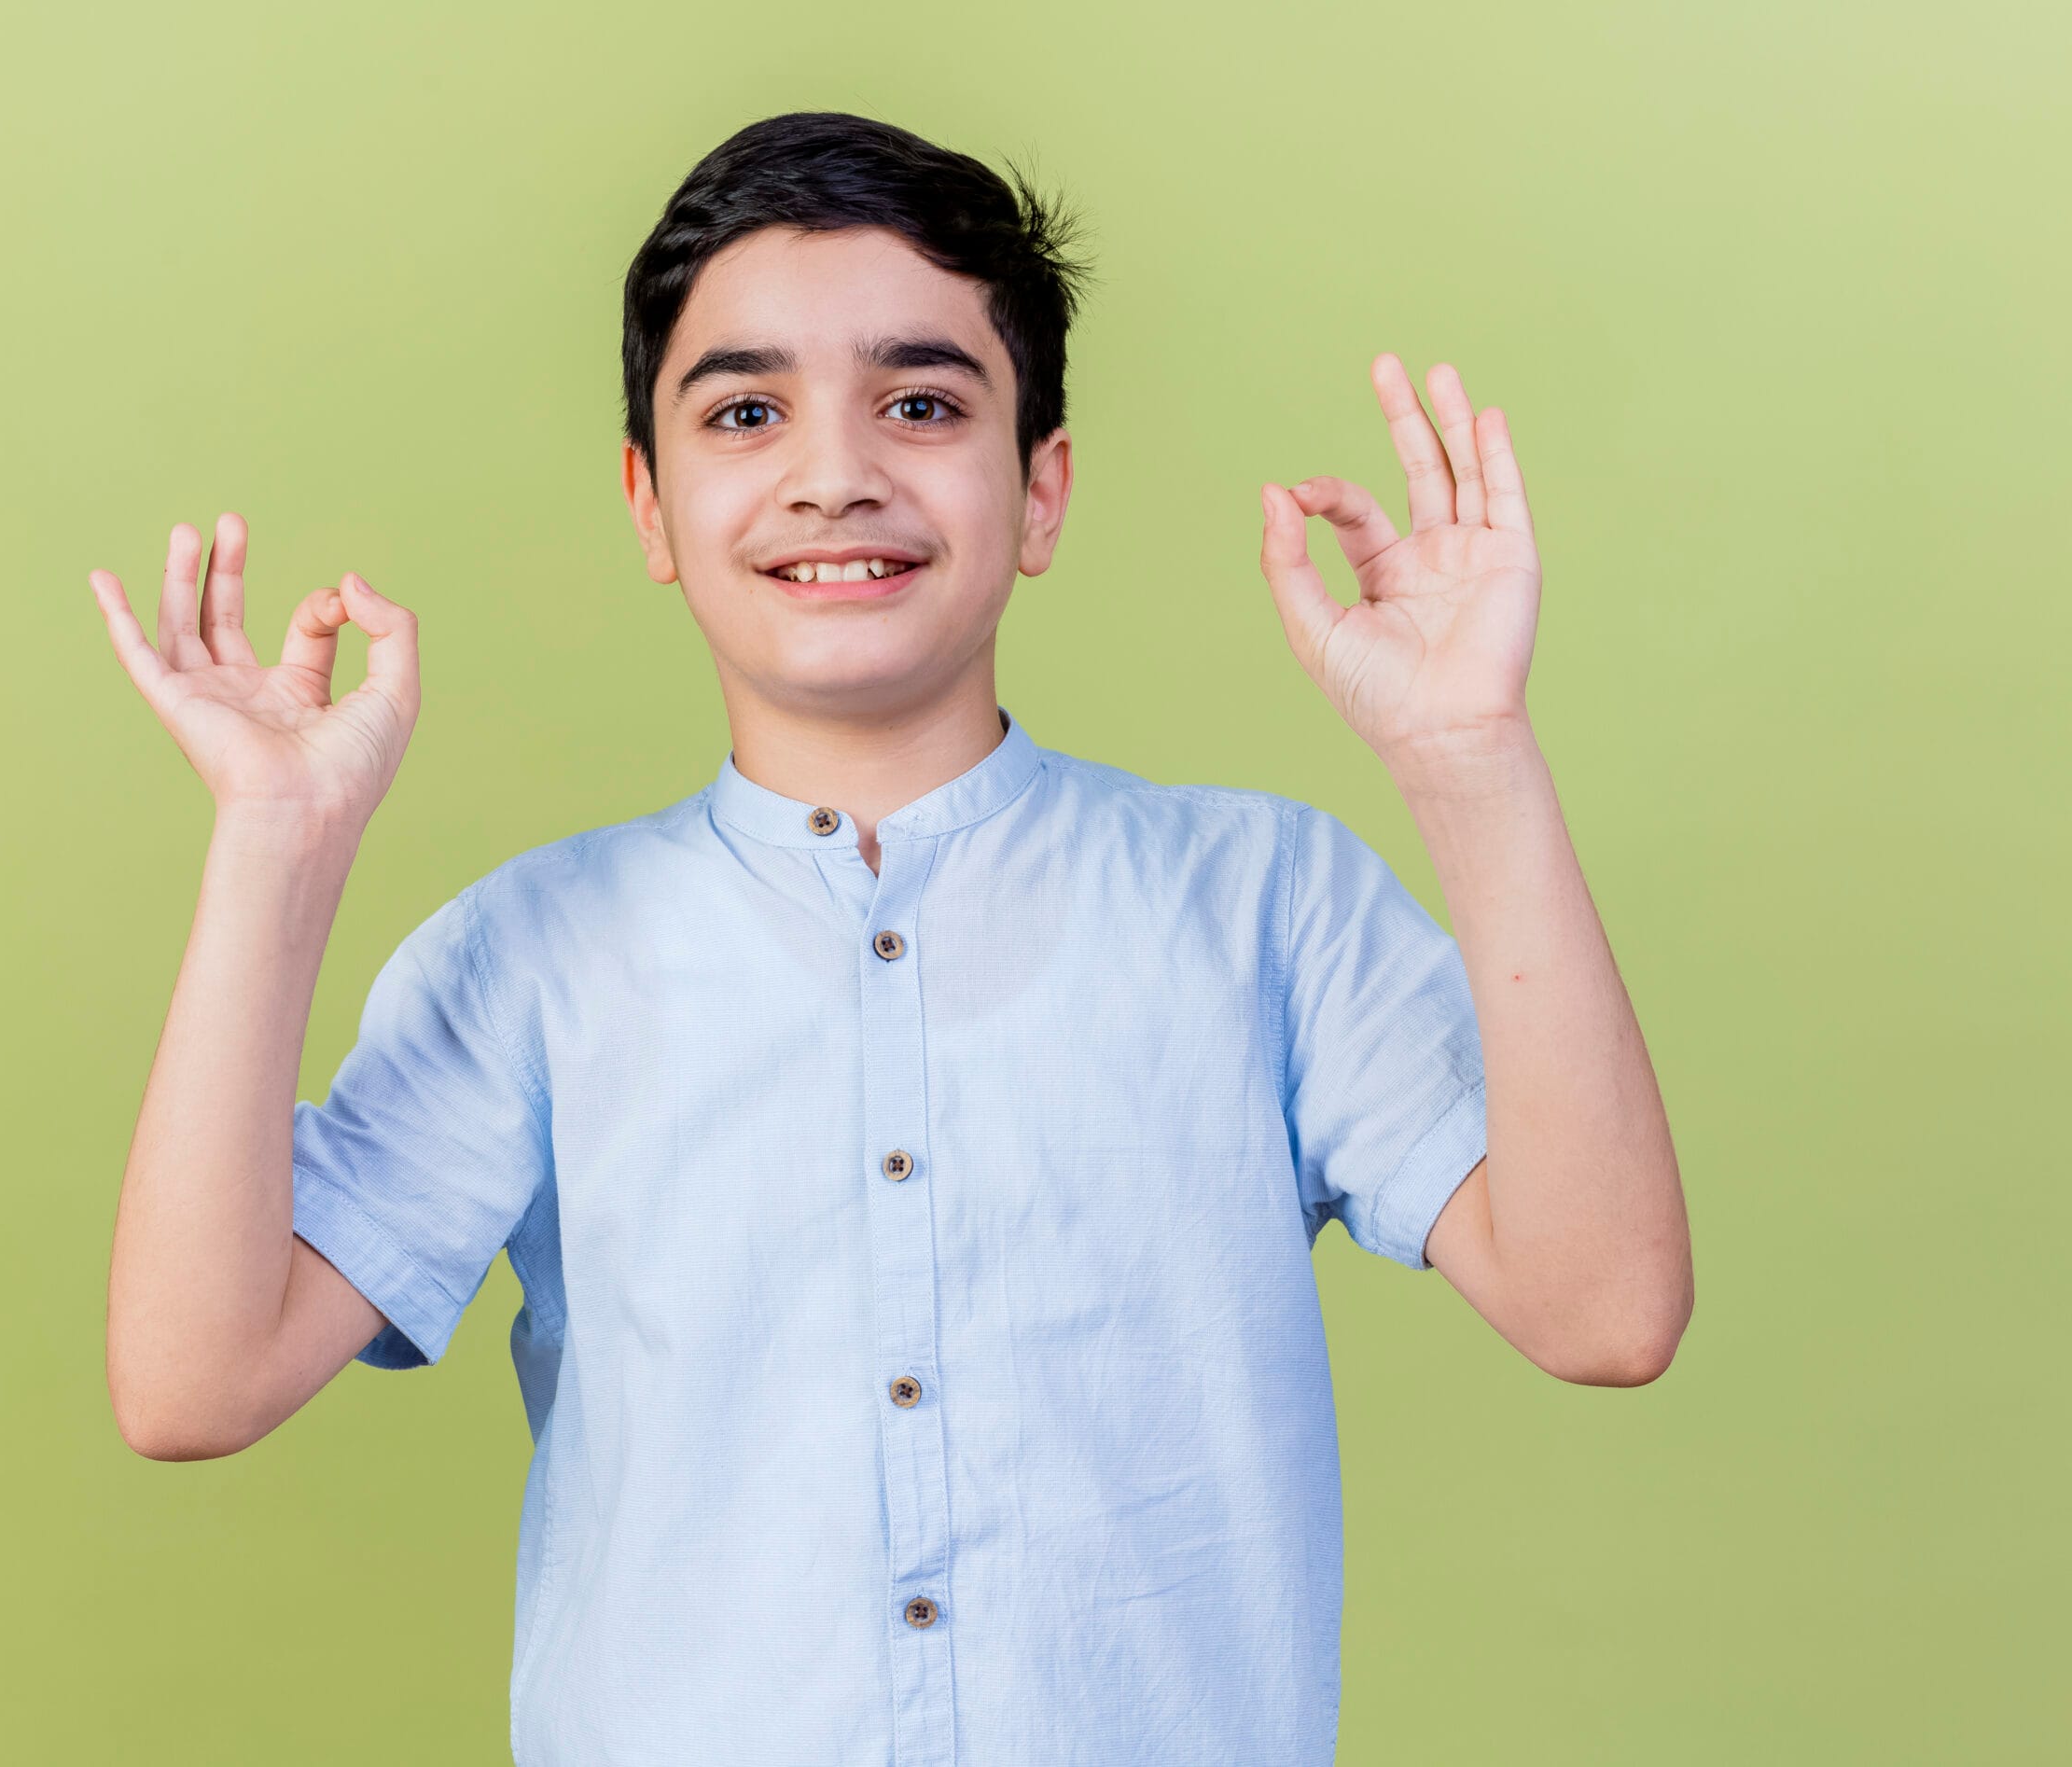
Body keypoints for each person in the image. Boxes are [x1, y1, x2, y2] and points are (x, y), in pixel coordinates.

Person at [90, 109, 1690, 1767]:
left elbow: (1606, 1308)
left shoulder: (1263, 903)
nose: (834, 471)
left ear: (1041, 490)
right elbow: (193, 1382)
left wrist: (1468, 756)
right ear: (650, 505)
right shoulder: (534, 956)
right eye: (746, 411)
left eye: (921, 403)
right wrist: (274, 843)